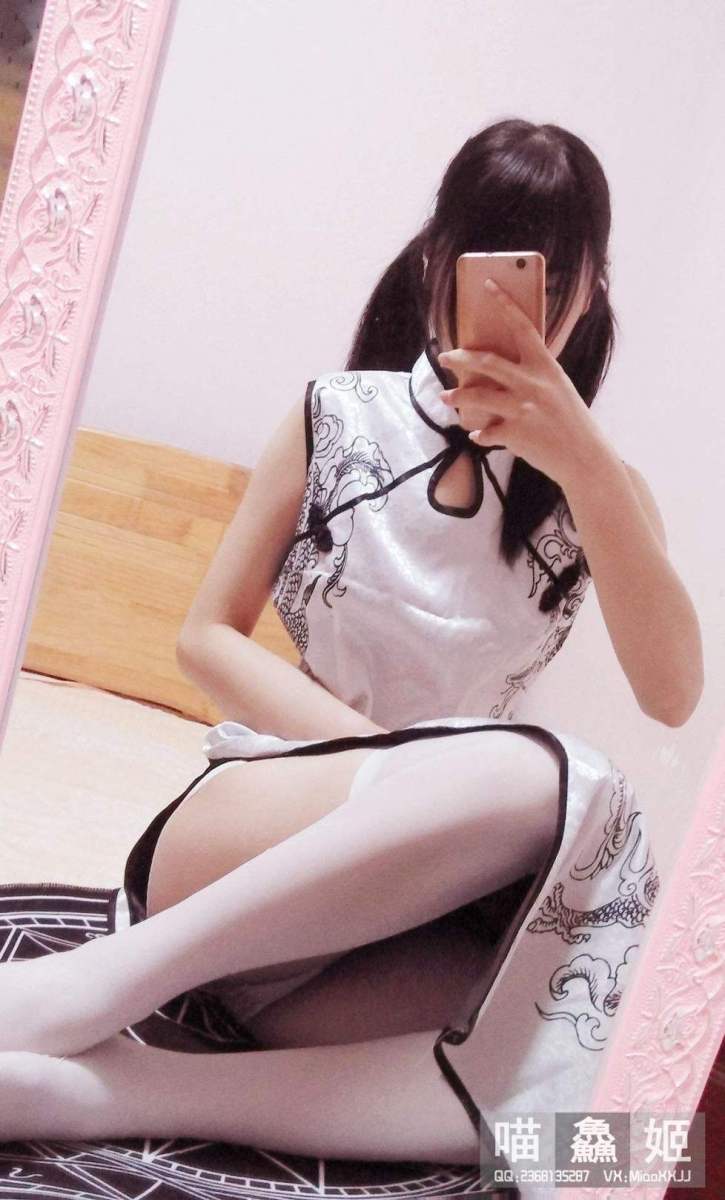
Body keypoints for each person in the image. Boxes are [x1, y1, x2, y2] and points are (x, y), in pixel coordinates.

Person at [0, 119, 703, 1177]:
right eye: (492, 271)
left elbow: (674, 694)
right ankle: (80, 990)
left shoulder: (600, 491)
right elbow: (204, 638)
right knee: (550, 776)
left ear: (591, 293)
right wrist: (406, 762)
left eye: (553, 282)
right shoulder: (335, 417)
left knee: (587, 1089)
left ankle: (104, 1092)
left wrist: (586, 464)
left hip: (400, 912)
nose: (523, 307)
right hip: (255, 826)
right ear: (433, 261)